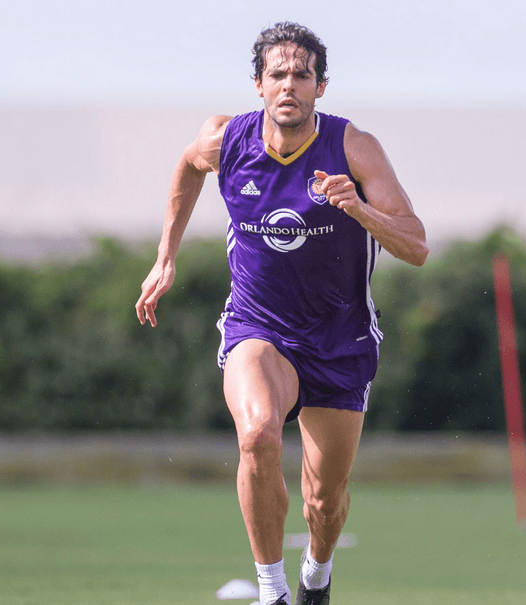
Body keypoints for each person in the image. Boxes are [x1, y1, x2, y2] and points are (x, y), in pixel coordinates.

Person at [135, 22, 428, 605]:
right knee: (258, 433)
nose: (289, 84)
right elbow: (189, 167)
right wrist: (165, 255)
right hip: (258, 327)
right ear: (258, 84)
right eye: (278, 74)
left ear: (321, 86)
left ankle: (315, 577)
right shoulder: (228, 139)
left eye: (302, 74)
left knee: (324, 501)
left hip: (340, 339)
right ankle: (272, 591)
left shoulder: (353, 147)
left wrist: (358, 208)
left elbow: (416, 246)